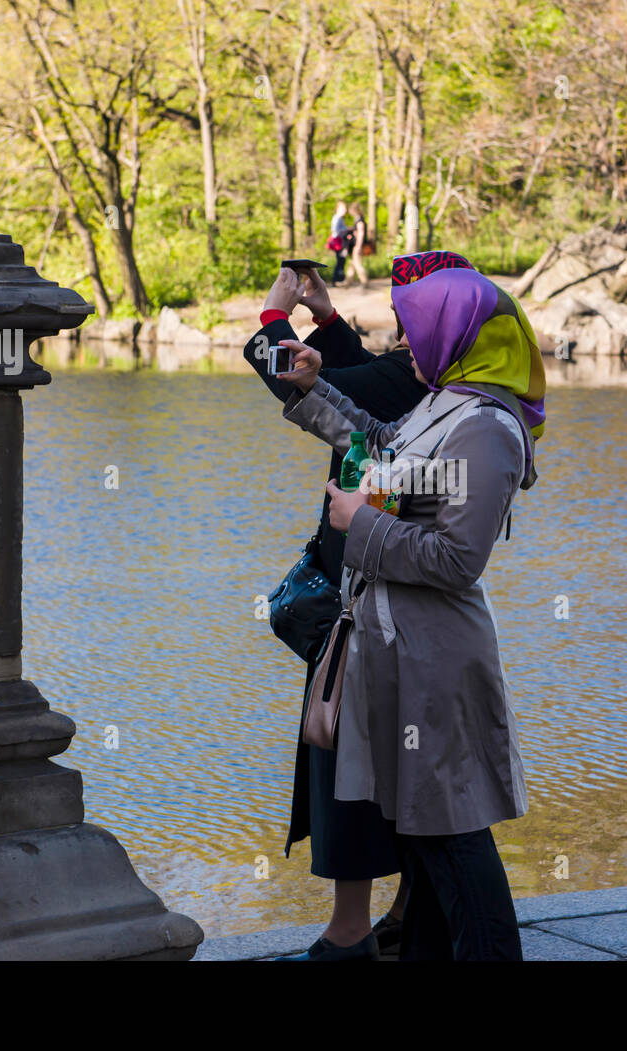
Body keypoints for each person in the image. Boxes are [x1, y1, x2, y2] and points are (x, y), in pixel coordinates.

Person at [275, 264, 547, 960]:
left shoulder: (487, 426)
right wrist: (311, 389)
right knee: (426, 828)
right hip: (398, 650)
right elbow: (378, 441)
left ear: (457, 331)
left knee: (450, 830)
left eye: (418, 328)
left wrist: (355, 524)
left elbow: (459, 558)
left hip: (435, 657)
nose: (407, 341)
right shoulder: (445, 403)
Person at [242, 251, 477, 961]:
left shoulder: (410, 382)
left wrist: (274, 314)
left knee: (340, 745)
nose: (401, 321)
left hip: (366, 595)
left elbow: (299, 375)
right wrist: (328, 317)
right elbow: (357, 376)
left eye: (409, 308)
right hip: (390, 592)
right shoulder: (438, 382)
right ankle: (405, 909)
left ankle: (350, 930)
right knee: (396, 757)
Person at [327, 201, 352, 286]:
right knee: (340, 261)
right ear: (338, 209)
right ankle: (337, 281)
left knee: (341, 261)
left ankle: (339, 280)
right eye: (343, 208)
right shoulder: (337, 218)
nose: (345, 210)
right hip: (338, 243)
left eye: (345, 209)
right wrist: (347, 229)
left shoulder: (340, 218)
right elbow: (336, 231)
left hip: (341, 242)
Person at [348, 206, 369, 288]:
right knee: (352, 264)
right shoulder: (357, 220)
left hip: (357, 246)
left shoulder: (360, 221)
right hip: (355, 245)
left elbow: (361, 234)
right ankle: (347, 282)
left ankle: (364, 282)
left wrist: (358, 246)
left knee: (357, 264)